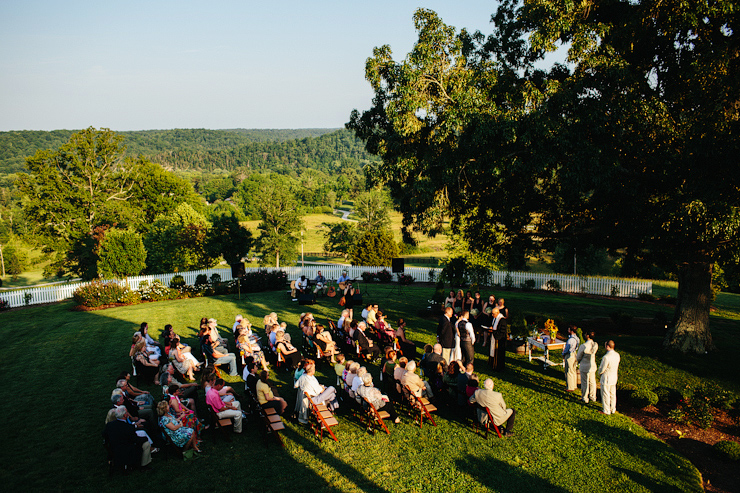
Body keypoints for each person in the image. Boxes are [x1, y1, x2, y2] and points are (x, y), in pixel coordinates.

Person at [598, 340, 621, 415]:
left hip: (606, 377)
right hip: (614, 377)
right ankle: (613, 408)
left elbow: (602, 368)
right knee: (612, 394)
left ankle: (606, 410)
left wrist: (599, 373)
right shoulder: (617, 355)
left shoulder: (606, 357)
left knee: (605, 394)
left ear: (607, 346)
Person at [576, 331, 599, 404]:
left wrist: (577, 361)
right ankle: (593, 396)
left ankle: (585, 397)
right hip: (592, 366)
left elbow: (579, 356)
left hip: (584, 366)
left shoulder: (583, 346)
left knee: (584, 382)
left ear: (588, 336)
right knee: (592, 382)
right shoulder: (595, 345)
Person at [562, 325, 580, 392]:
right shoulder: (577, 338)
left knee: (568, 371)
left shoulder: (570, 340)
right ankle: (574, 385)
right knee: (573, 370)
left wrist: (563, 354)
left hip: (569, 355)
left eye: (569, 330)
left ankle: (569, 387)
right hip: (574, 354)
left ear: (571, 331)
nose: (568, 331)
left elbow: (567, 349)